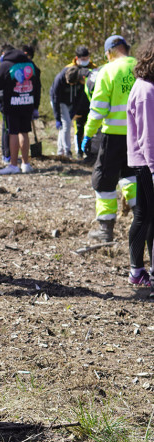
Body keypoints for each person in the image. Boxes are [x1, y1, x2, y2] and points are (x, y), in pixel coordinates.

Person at [81, 35, 137, 243]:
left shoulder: (108, 70)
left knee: (104, 180)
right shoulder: (142, 68)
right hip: (139, 137)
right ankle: (143, 219)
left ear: (109, 52)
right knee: (132, 176)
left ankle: (106, 231)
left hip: (113, 136)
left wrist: (88, 134)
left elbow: (98, 110)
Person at [126, 39, 154, 287]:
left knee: (147, 215)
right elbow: (147, 136)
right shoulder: (146, 90)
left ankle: (142, 271)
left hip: (148, 162)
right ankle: (138, 270)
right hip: (147, 163)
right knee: (144, 215)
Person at [0, 44, 41, 174]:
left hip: (12, 104)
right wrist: (36, 106)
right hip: (28, 103)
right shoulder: (30, 64)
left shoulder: (5, 65)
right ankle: (26, 164)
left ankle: (14, 165)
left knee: (13, 133)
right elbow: (38, 85)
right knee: (25, 132)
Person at [51, 48, 94, 159]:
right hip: (60, 101)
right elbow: (55, 97)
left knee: (67, 123)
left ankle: (61, 151)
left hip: (75, 103)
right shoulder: (62, 76)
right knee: (65, 125)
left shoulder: (85, 75)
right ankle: (66, 151)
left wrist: (73, 111)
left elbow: (79, 97)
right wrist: (57, 118)